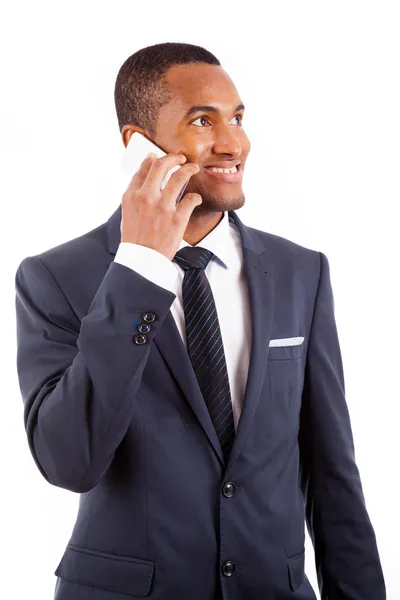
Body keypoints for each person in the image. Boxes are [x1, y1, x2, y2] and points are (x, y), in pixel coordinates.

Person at [15, 42, 385, 600]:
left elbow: (333, 475)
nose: (234, 142)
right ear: (138, 145)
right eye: (202, 120)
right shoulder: (55, 277)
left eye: (237, 118)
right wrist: (138, 268)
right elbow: (70, 462)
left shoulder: (299, 272)